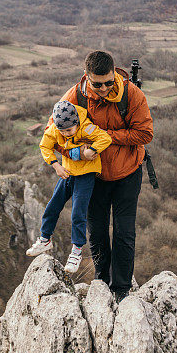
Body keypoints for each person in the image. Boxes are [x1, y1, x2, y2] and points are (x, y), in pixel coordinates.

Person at [47, 51, 153, 304]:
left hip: (127, 172)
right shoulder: (75, 98)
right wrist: (70, 153)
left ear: (114, 73)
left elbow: (145, 134)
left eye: (109, 82)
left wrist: (105, 136)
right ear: (87, 77)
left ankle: (122, 290)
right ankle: (102, 281)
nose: (105, 88)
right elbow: (53, 132)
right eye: (98, 84)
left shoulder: (132, 95)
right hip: (91, 177)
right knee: (97, 232)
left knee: (124, 232)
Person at [26, 99, 112, 273]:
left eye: (69, 130)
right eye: (62, 130)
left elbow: (105, 138)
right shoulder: (55, 130)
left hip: (85, 176)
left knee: (77, 213)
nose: (65, 134)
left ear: (76, 123)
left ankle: (77, 250)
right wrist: (56, 166)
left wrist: (92, 150)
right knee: (52, 206)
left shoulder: (85, 127)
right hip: (67, 173)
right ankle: (44, 239)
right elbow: (45, 145)